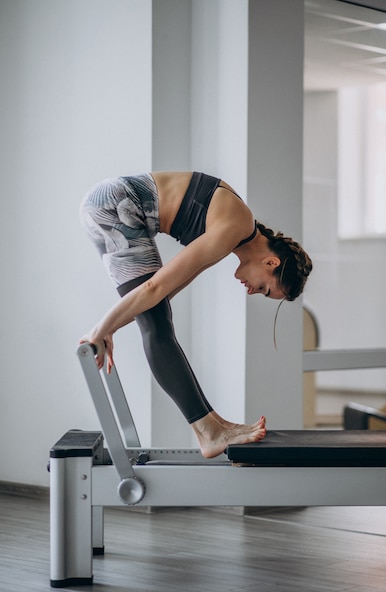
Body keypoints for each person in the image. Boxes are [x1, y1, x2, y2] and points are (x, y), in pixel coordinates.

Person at [79, 171, 312, 458]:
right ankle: (208, 431)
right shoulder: (234, 227)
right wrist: (102, 329)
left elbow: (160, 297)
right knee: (158, 328)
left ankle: (215, 425)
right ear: (271, 261)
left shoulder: (234, 232)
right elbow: (155, 288)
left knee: (157, 321)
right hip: (115, 204)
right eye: (264, 287)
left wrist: (111, 326)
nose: (252, 292)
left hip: (114, 203)